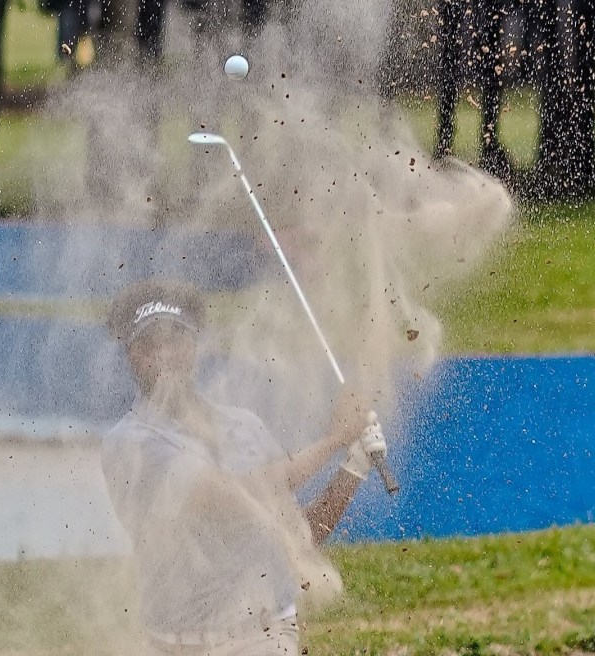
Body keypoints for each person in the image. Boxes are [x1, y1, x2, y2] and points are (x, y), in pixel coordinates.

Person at [101, 278, 387, 655]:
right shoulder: (129, 444)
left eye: (177, 339)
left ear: (194, 346)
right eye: (152, 343)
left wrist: (353, 466)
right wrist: (333, 440)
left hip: (264, 636)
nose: (166, 353)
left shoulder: (244, 427)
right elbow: (230, 494)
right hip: (174, 645)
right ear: (132, 353)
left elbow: (297, 536)